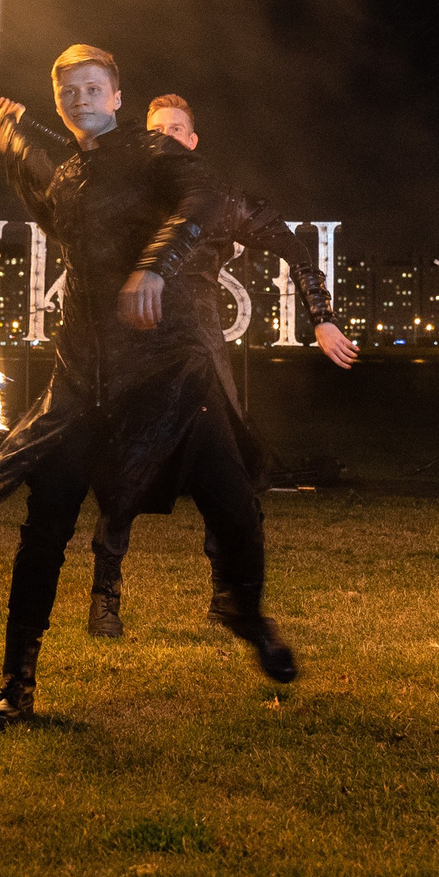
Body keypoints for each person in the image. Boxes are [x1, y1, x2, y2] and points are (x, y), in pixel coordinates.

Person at [0, 44, 296, 730]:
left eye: (93, 89)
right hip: (84, 376)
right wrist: (11, 142)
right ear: (60, 103)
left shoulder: (153, 152)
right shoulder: (69, 173)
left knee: (235, 504)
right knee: (45, 528)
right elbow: (54, 212)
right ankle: (16, 683)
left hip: (167, 369)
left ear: (116, 97)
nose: (80, 99)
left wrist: (153, 266)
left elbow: (206, 198)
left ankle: (244, 609)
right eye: (69, 92)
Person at [83, 94, 356, 639]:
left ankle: (228, 596)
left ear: (192, 141)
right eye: (156, 129)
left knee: (230, 483)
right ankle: (104, 600)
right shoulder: (125, 196)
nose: (165, 136)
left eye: (176, 129)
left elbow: (296, 250)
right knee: (124, 476)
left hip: (202, 358)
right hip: (138, 356)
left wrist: (323, 319)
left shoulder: (220, 201)